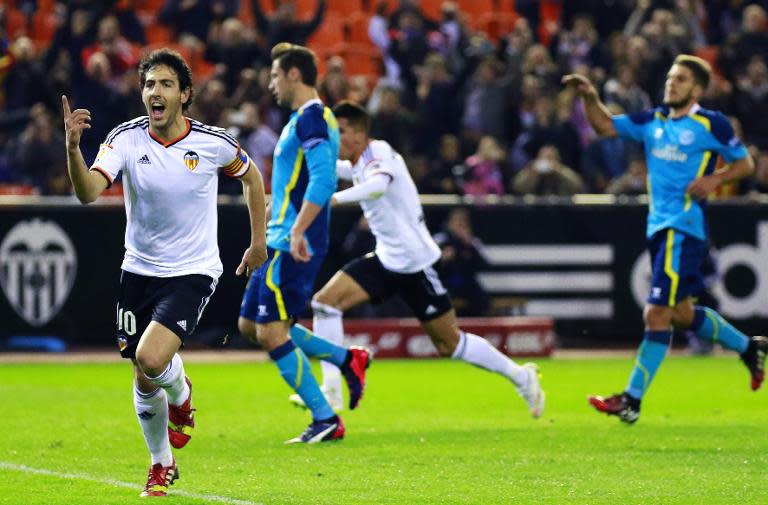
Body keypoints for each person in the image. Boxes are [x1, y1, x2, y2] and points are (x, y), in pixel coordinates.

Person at [62, 48, 268, 496]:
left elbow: (252, 178)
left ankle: (180, 394)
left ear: (184, 94)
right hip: (138, 270)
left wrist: (257, 242)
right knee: (141, 371)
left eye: (165, 84)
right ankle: (161, 462)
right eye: (149, 84)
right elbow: (87, 192)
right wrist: (73, 150)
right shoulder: (126, 139)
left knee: (151, 359)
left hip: (193, 270)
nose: (155, 92)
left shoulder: (212, 143)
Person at [289, 101, 545, 419]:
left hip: (415, 263)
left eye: (339, 132)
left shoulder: (379, 153)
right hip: (386, 259)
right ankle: (331, 391)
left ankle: (521, 376)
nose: (334, 138)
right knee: (326, 303)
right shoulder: (355, 162)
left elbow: (378, 187)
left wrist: (332, 199)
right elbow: (335, 170)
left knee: (449, 344)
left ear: (357, 134)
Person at [563, 54, 766, 424]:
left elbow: (745, 163)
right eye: (671, 77)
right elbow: (606, 126)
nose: (672, 83)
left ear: (698, 88)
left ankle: (631, 400)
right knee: (681, 314)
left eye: (682, 79)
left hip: (683, 228)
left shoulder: (711, 124)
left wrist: (715, 180)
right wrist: (590, 97)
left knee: (656, 313)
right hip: (658, 229)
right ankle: (748, 347)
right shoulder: (653, 121)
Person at [237, 43, 371, 444]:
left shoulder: (312, 118)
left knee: (271, 332)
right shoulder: (300, 119)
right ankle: (348, 358)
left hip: (293, 243)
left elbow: (324, 180)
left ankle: (325, 418)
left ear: (294, 75)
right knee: (250, 326)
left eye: (276, 75)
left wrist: (297, 230)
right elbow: (295, 184)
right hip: (281, 236)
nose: (271, 83)